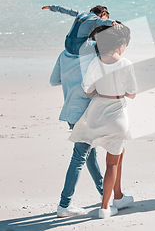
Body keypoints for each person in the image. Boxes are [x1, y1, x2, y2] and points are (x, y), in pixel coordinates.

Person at [70, 25, 137, 219]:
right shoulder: (125, 63)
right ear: (119, 45)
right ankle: (105, 207)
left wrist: (101, 88)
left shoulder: (95, 62)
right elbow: (132, 93)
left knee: (102, 154)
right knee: (112, 163)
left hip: (97, 115)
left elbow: (87, 90)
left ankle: (118, 197)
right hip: (117, 116)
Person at [50, 39, 104, 217]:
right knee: (80, 155)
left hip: (70, 111)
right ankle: (64, 204)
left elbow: (54, 80)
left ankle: (105, 192)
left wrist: (71, 80)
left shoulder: (63, 54)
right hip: (86, 112)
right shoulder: (93, 54)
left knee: (89, 153)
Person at [42, 4, 120, 55]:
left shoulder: (81, 13)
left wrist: (51, 7)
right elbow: (104, 21)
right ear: (104, 14)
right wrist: (113, 22)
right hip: (78, 48)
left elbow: (66, 10)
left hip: (67, 45)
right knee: (104, 45)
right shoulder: (95, 19)